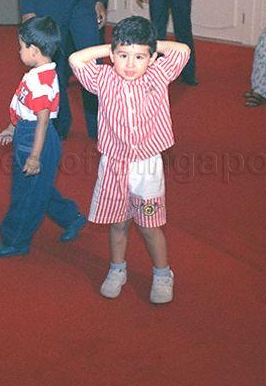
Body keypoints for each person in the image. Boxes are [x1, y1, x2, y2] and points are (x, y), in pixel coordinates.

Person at [69, 16, 189, 302]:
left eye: (139, 57)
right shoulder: (103, 79)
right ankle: (117, 269)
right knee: (118, 221)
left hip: (147, 167)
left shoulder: (158, 75)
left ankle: (162, 274)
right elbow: (75, 58)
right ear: (112, 56)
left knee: (149, 224)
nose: (131, 64)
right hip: (113, 165)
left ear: (151, 57)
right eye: (123, 56)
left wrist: (147, 44)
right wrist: (111, 48)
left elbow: (182, 51)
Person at [0, 17, 87, 258]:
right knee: (37, 187)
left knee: (25, 195)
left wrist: (34, 155)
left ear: (34, 51)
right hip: (27, 131)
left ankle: (15, 240)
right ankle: (71, 217)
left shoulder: (42, 82)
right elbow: (25, 107)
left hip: (36, 138)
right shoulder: (37, 73)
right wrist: (12, 127)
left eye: (21, 47)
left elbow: (42, 120)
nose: (19, 51)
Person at [16, 0, 107, 140]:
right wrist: (28, 10)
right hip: (48, 2)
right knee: (55, 67)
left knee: (92, 64)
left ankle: (100, 127)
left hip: (84, 0)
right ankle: (59, 124)